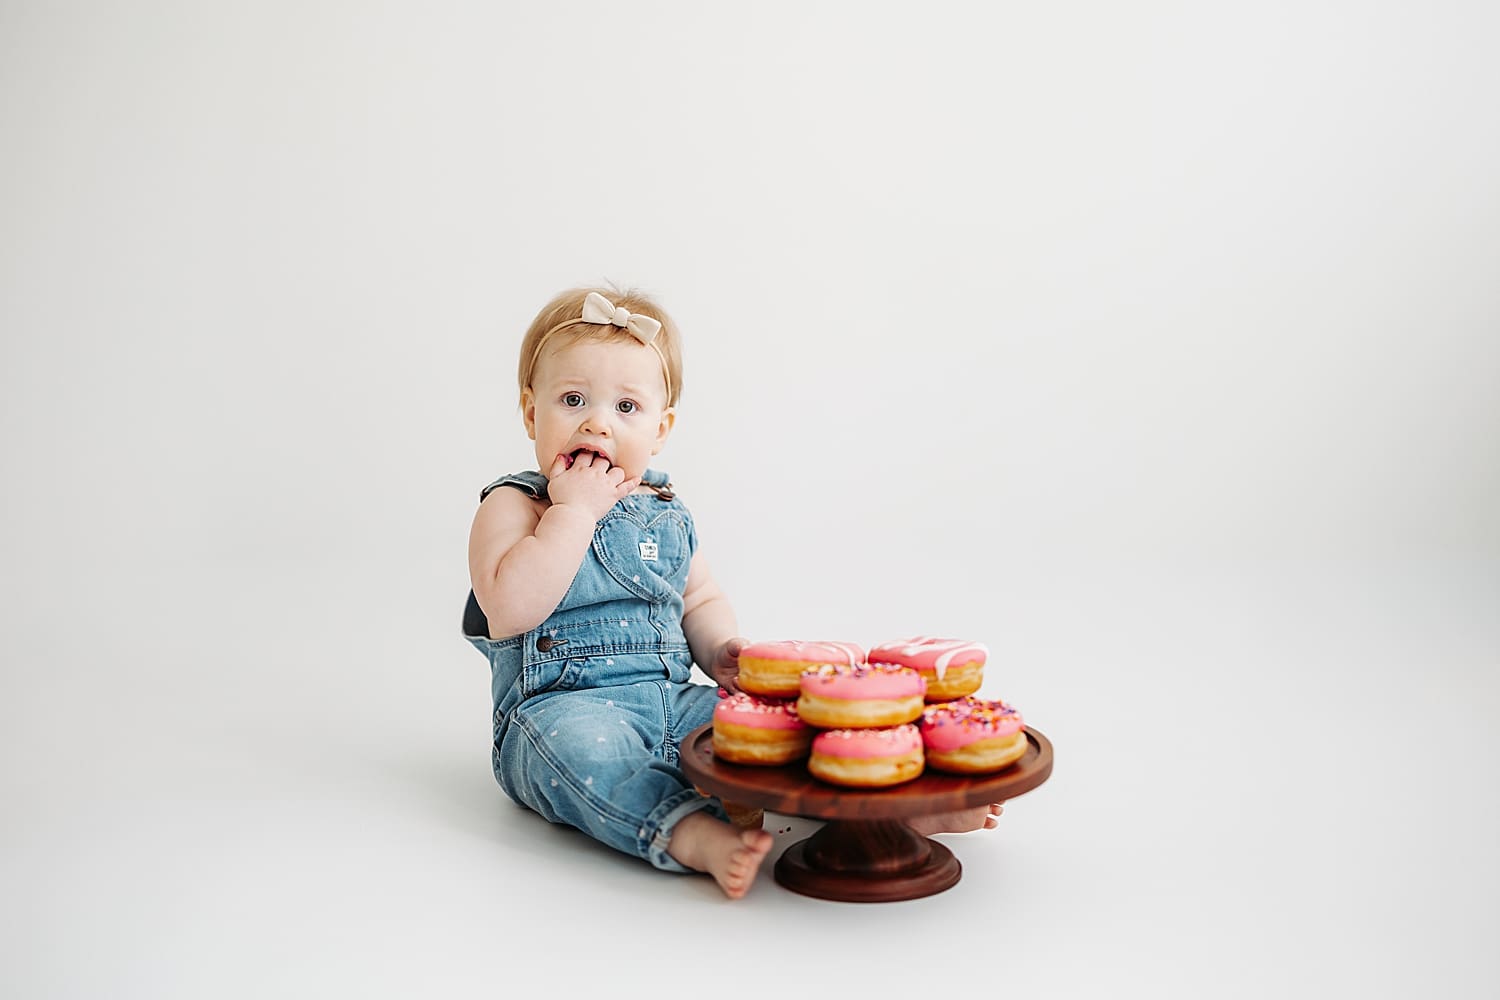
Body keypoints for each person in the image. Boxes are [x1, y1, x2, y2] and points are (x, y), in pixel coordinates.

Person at [463, 286, 1002, 898]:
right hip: (558, 709)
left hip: (673, 698)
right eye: (573, 399)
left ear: (661, 429)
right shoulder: (516, 504)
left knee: (778, 732)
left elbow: (698, 598)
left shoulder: (662, 510)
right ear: (532, 413)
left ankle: (886, 809)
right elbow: (509, 608)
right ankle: (688, 832)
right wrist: (573, 514)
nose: (598, 422)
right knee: (588, 756)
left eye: (627, 407)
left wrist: (720, 650)